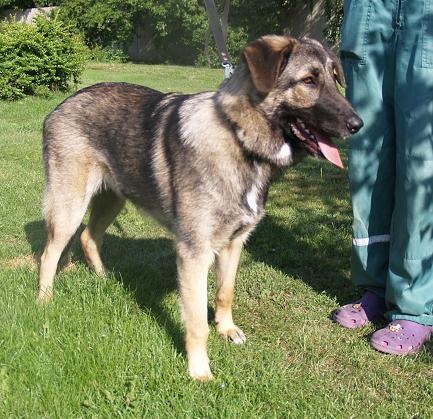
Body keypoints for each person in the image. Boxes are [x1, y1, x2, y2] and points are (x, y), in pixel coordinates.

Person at [333, 0, 433, 354]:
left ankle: (415, 303)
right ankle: (375, 285)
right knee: (368, 156)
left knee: (420, 162)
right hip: (370, 8)